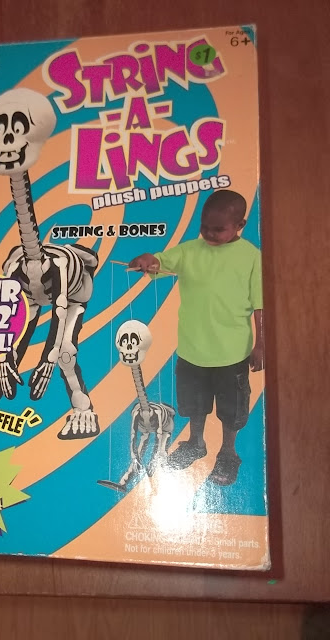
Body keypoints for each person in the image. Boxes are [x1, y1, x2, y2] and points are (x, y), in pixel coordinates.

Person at [129, 189, 264, 485]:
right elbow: (160, 262)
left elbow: (260, 305)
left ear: (240, 225)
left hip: (232, 353)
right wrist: (146, 260)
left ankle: (228, 452)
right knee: (194, 404)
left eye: (219, 229)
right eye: (205, 227)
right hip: (192, 350)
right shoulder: (189, 250)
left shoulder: (251, 257)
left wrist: (261, 344)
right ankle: (195, 443)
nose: (210, 234)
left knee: (232, 409)